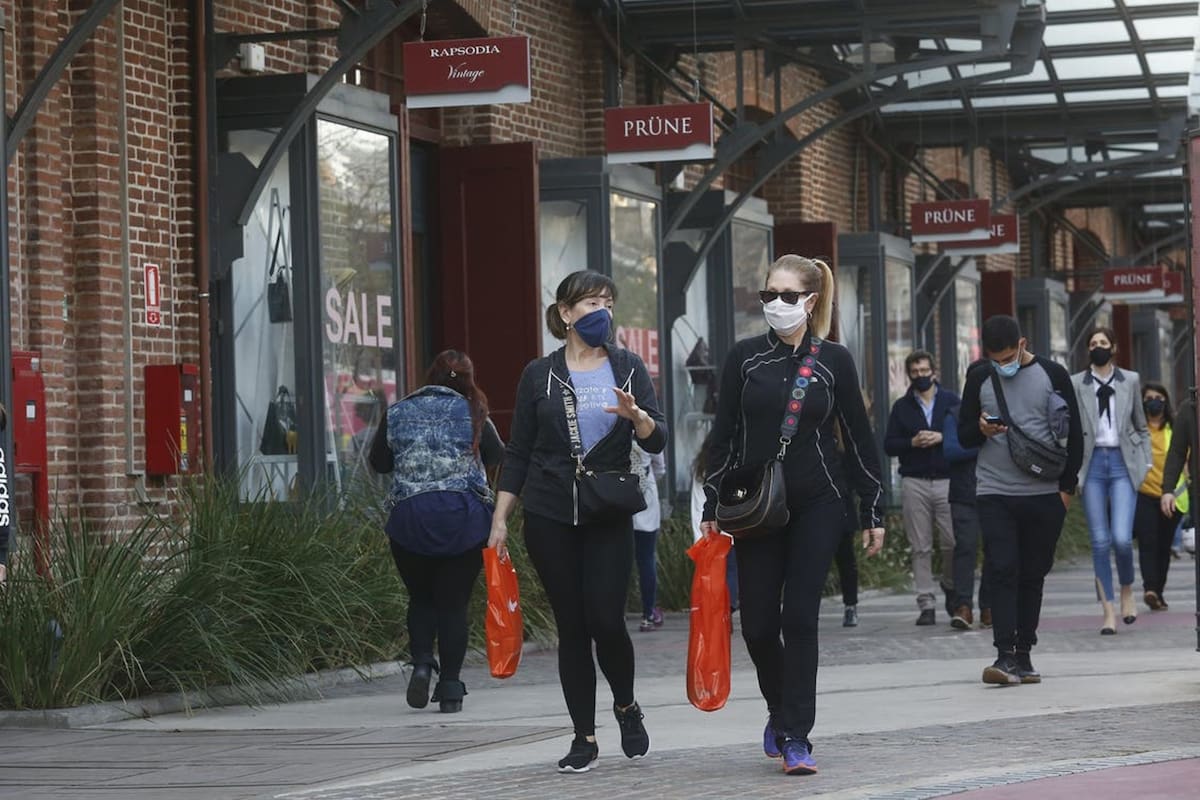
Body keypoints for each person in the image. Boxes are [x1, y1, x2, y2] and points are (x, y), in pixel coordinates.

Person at [701, 254, 885, 775]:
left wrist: (872, 509)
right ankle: (778, 708)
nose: (775, 305)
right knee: (758, 625)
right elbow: (724, 436)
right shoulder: (744, 359)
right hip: (758, 506)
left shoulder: (834, 361)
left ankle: (796, 734)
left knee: (800, 617)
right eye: (768, 295)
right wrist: (713, 503)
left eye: (786, 295)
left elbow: (860, 439)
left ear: (809, 301)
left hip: (820, 500)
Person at [489, 270, 667, 774]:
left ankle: (627, 707)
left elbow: (657, 440)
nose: (601, 311)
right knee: (572, 627)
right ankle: (583, 737)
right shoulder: (538, 375)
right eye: (590, 302)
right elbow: (518, 451)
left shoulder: (628, 367)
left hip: (606, 510)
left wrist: (639, 418)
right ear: (566, 314)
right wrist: (501, 518)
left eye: (608, 302)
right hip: (549, 512)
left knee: (606, 620)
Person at [368, 350, 503, 714]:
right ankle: (451, 688)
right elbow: (497, 455)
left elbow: (379, 462)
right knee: (453, 605)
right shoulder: (475, 412)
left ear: (430, 375)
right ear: (470, 377)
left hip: (410, 519)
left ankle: (424, 663)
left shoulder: (397, 412)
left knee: (422, 598)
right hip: (463, 518)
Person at [958, 315, 1082, 685]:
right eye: (995, 359)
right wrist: (980, 430)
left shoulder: (1053, 374)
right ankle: (1004, 655)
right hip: (994, 490)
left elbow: (1075, 434)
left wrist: (1066, 488)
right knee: (1002, 567)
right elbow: (963, 436)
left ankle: (1024, 653)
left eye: (1008, 357)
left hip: (1045, 492)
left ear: (1023, 344)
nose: (1002, 365)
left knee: (1033, 573)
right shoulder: (979, 376)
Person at [1071, 327, 1151, 634]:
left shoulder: (1129, 380)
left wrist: (1144, 463)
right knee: (1100, 542)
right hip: (1092, 465)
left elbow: (1141, 426)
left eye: (1103, 343)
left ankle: (1127, 588)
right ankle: (1108, 612)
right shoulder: (1077, 383)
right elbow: (1072, 428)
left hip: (1122, 463)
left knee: (1120, 538)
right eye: (1092, 344)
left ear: (1113, 347)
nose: (1098, 347)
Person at [884, 351, 960, 625]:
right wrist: (912, 443)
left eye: (924, 370)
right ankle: (926, 603)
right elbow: (889, 444)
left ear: (934, 371)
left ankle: (951, 586)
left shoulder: (951, 401)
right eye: (915, 372)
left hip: (946, 480)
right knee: (921, 546)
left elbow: (965, 435)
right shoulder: (902, 407)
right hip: (914, 481)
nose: (920, 376)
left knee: (952, 541)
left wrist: (942, 437)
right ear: (909, 375)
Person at [943, 393, 991, 630]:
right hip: (964, 491)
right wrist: (983, 443)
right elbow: (951, 450)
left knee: (995, 548)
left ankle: (989, 606)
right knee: (965, 547)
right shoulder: (955, 415)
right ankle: (963, 606)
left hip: (995, 489)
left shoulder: (999, 409)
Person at [1136, 383, 1184, 611]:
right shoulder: (1138, 428)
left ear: (1166, 401)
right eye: (1148, 398)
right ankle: (1150, 589)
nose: (1153, 401)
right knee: (1148, 543)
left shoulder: (1174, 429)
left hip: (1171, 496)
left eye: (1158, 397)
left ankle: (1159, 592)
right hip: (1144, 494)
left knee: (1164, 547)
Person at [691, 430, 738, 610]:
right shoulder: (729, 469)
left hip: (706, 533)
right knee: (731, 571)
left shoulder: (699, 473)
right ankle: (728, 605)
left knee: (714, 575)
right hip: (728, 533)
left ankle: (720, 606)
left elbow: (696, 504)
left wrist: (699, 536)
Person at [632, 442, 667, 631]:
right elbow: (660, 468)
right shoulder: (646, 427)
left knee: (616, 562)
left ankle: (613, 614)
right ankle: (648, 614)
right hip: (645, 498)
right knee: (646, 559)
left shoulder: (611, 423)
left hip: (615, 498)